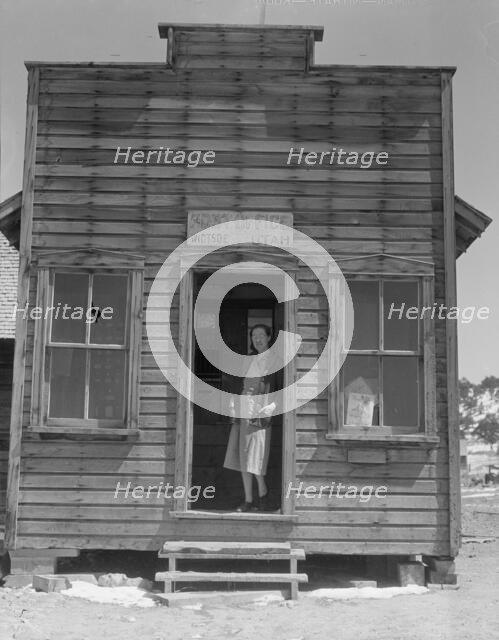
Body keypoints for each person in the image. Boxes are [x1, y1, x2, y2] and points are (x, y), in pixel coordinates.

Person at [223, 324, 280, 512]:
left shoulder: (275, 360)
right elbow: (237, 384)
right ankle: (248, 500)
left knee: (257, 455)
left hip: (261, 411)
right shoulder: (248, 360)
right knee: (243, 455)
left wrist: (272, 405)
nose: (257, 339)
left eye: (261, 335)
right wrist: (233, 402)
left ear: (269, 337)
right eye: (254, 335)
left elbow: (281, 387)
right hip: (243, 410)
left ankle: (263, 493)